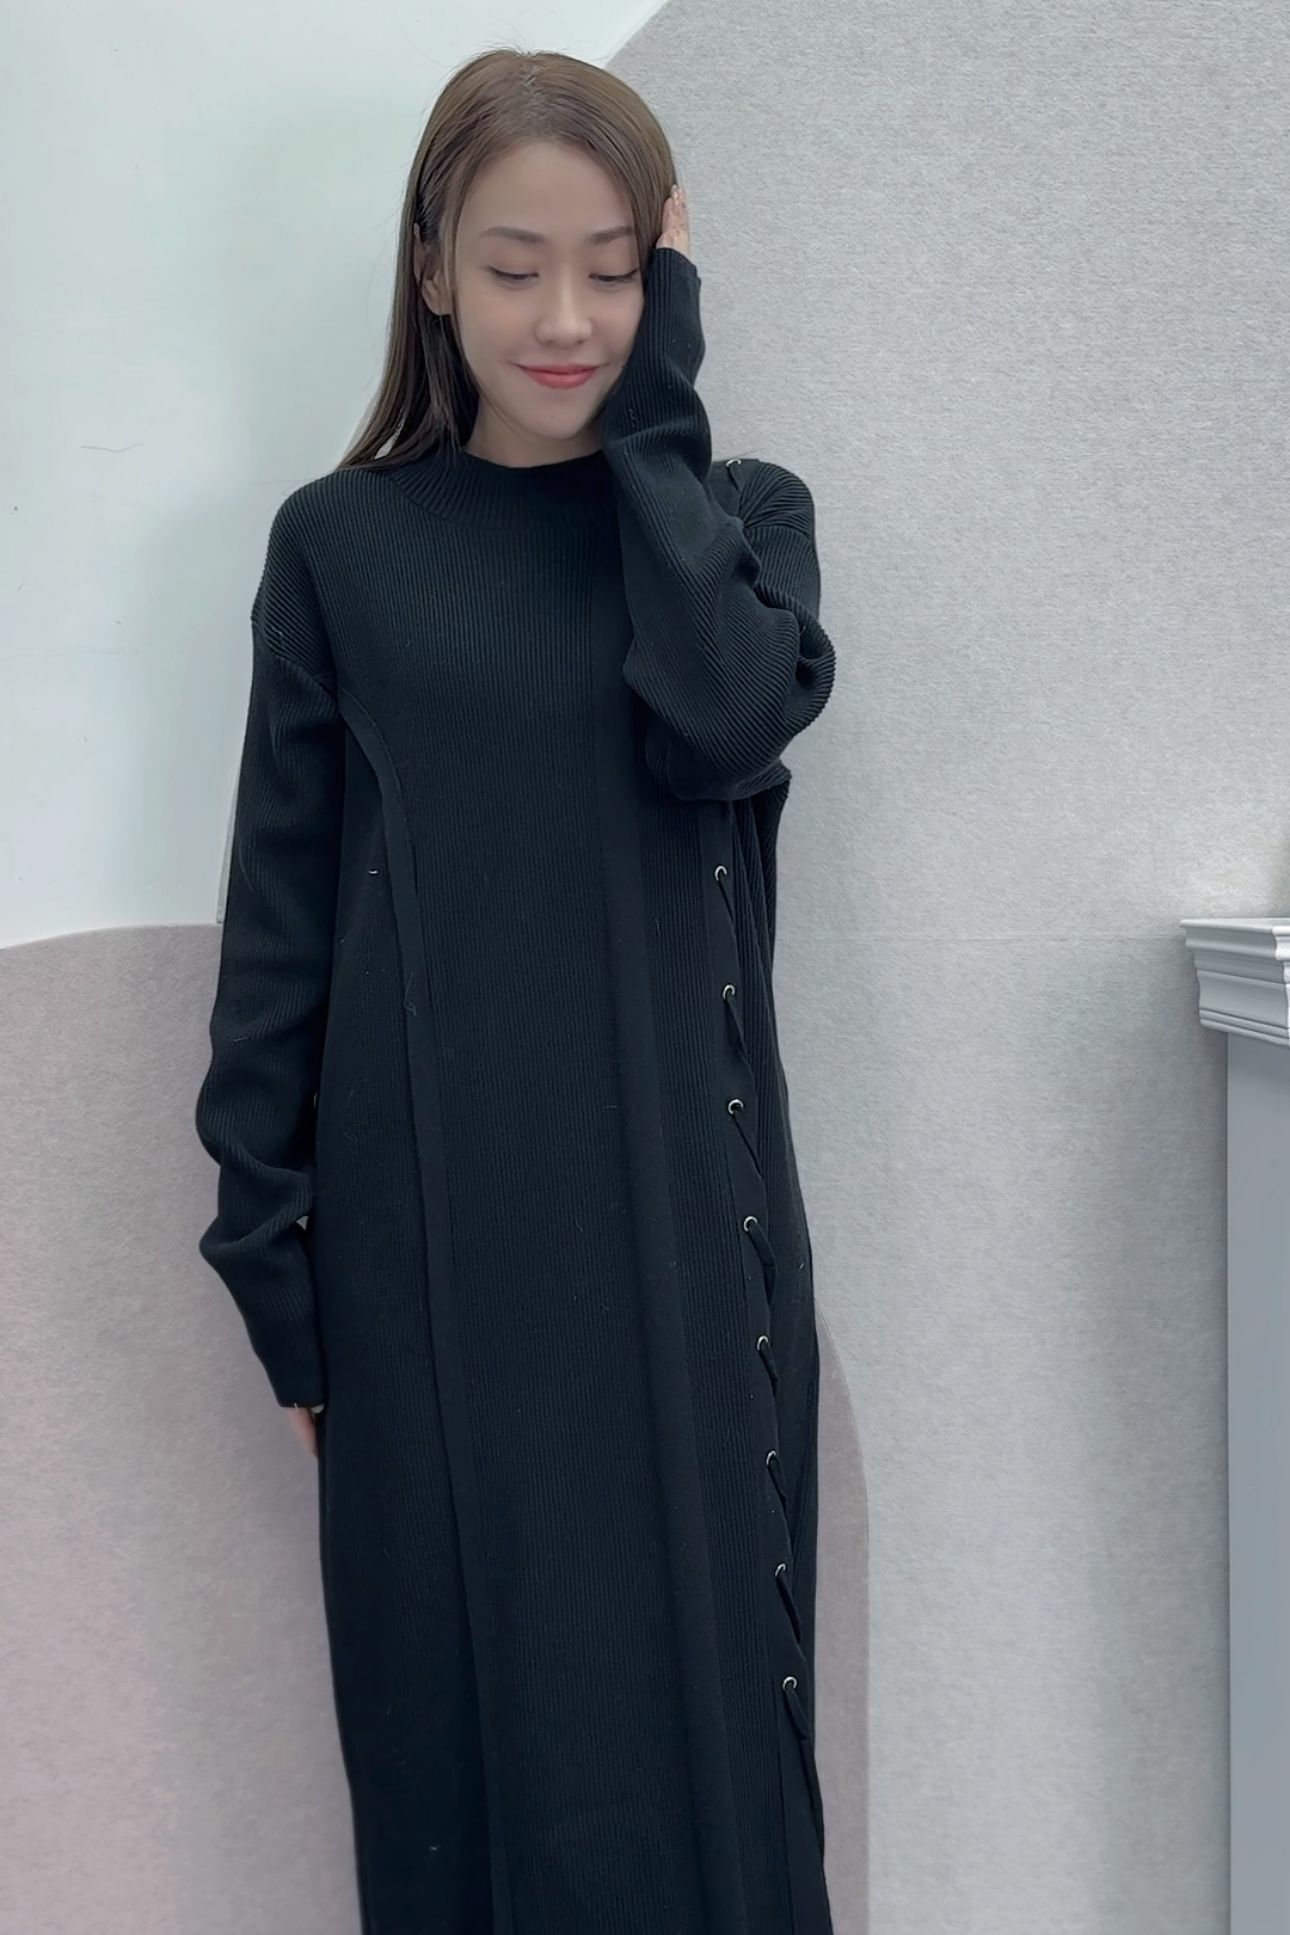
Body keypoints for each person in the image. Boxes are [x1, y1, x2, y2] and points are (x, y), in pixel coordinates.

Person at [194, 43, 837, 1935]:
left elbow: (721, 717)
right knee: (466, 1771)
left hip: (691, 1247)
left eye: (617, 270)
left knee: (712, 1777)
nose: (565, 318)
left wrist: (657, 421)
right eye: (513, 265)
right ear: (430, 270)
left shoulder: (740, 526)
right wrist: (278, 1278)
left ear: (667, 285)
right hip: (430, 1275)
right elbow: (279, 930)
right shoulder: (344, 549)